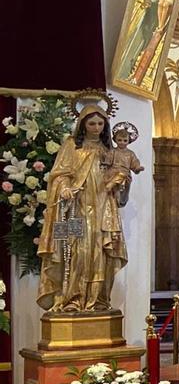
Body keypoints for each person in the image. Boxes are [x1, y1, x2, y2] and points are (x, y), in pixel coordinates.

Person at [37, 102, 128, 312]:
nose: (96, 127)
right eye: (92, 123)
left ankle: (97, 300)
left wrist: (121, 181)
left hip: (103, 206)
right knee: (75, 250)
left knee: (100, 252)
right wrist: (65, 187)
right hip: (74, 209)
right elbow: (59, 175)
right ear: (83, 124)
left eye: (100, 123)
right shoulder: (72, 145)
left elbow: (119, 176)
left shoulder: (108, 149)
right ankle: (71, 299)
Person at [108, 121, 144, 208]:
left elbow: (134, 163)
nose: (122, 142)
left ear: (129, 141)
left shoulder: (130, 154)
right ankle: (113, 191)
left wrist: (137, 168)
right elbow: (107, 162)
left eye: (125, 140)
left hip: (125, 175)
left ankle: (120, 198)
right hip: (113, 174)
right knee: (112, 193)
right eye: (119, 140)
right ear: (115, 140)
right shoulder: (113, 151)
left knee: (122, 193)